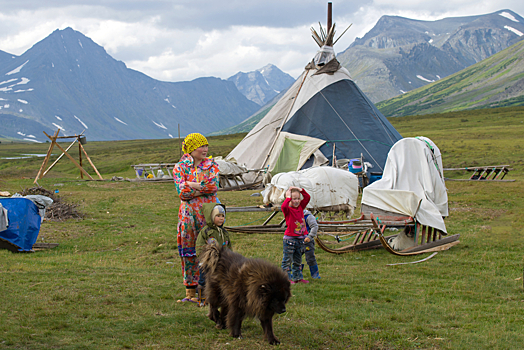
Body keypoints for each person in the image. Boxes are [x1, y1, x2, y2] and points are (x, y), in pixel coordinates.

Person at [173, 133, 219, 303]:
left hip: (208, 215)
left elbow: (214, 186)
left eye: (206, 146)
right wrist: (202, 189)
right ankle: (191, 292)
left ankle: (210, 289)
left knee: (211, 250)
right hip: (188, 218)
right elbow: (182, 193)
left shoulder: (212, 166)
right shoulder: (180, 167)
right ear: (192, 149)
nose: (205, 149)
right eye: (201, 146)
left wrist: (192, 185)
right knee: (189, 251)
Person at [195, 203, 231, 305]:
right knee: (204, 280)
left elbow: (228, 246)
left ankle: (216, 299)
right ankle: (202, 299)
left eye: (222, 216)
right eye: (218, 216)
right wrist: (203, 257)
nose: (221, 219)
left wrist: (230, 257)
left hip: (221, 263)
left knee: (218, 281)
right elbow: (199, 245)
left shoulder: (224, 233)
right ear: (211, 217)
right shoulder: (205, 232)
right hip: (207, 262)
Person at [281, 186, 310, 284]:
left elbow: (307, 197)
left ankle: (298, 277)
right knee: (287, 260)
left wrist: (301, 190)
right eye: (294, 199)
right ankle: (286, 279)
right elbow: (283, 206)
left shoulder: (301, 207)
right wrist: (288, 197)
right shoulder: (288, 209)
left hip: (300, 238)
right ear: (289, 199)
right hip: (290, 239)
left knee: (298, 260)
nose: (297, 201)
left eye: (298, 198)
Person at [303, 209, 321, 279]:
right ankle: (297, 273)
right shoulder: (294, 215)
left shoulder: (308, 216)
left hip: (307, 241)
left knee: (310, 258)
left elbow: (314, 226)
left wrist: (310, 236)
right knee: (296, 258)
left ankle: (315, 274)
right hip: (297, 241)